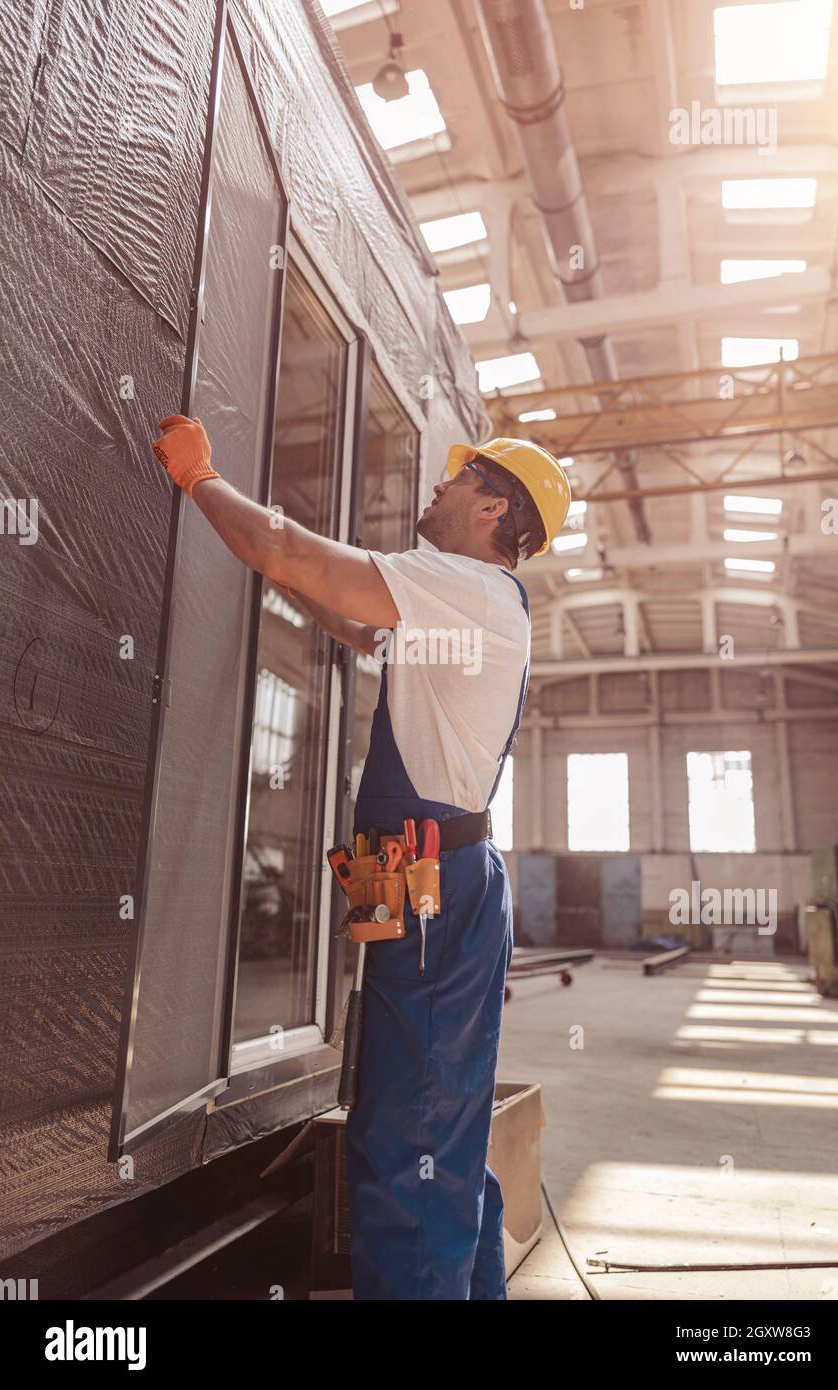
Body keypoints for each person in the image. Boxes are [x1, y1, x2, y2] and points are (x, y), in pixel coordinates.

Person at [150, 415, 571, 1299]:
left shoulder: (464, 587)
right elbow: (351, 620)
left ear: (492, 505)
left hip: (433, 896)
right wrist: (279, 571)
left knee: (407, 1137)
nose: (439, 487)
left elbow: (288, 549)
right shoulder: (468, 608)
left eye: (458, 481)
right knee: (442, 1128)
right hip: (443, 886)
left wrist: (201, 482)